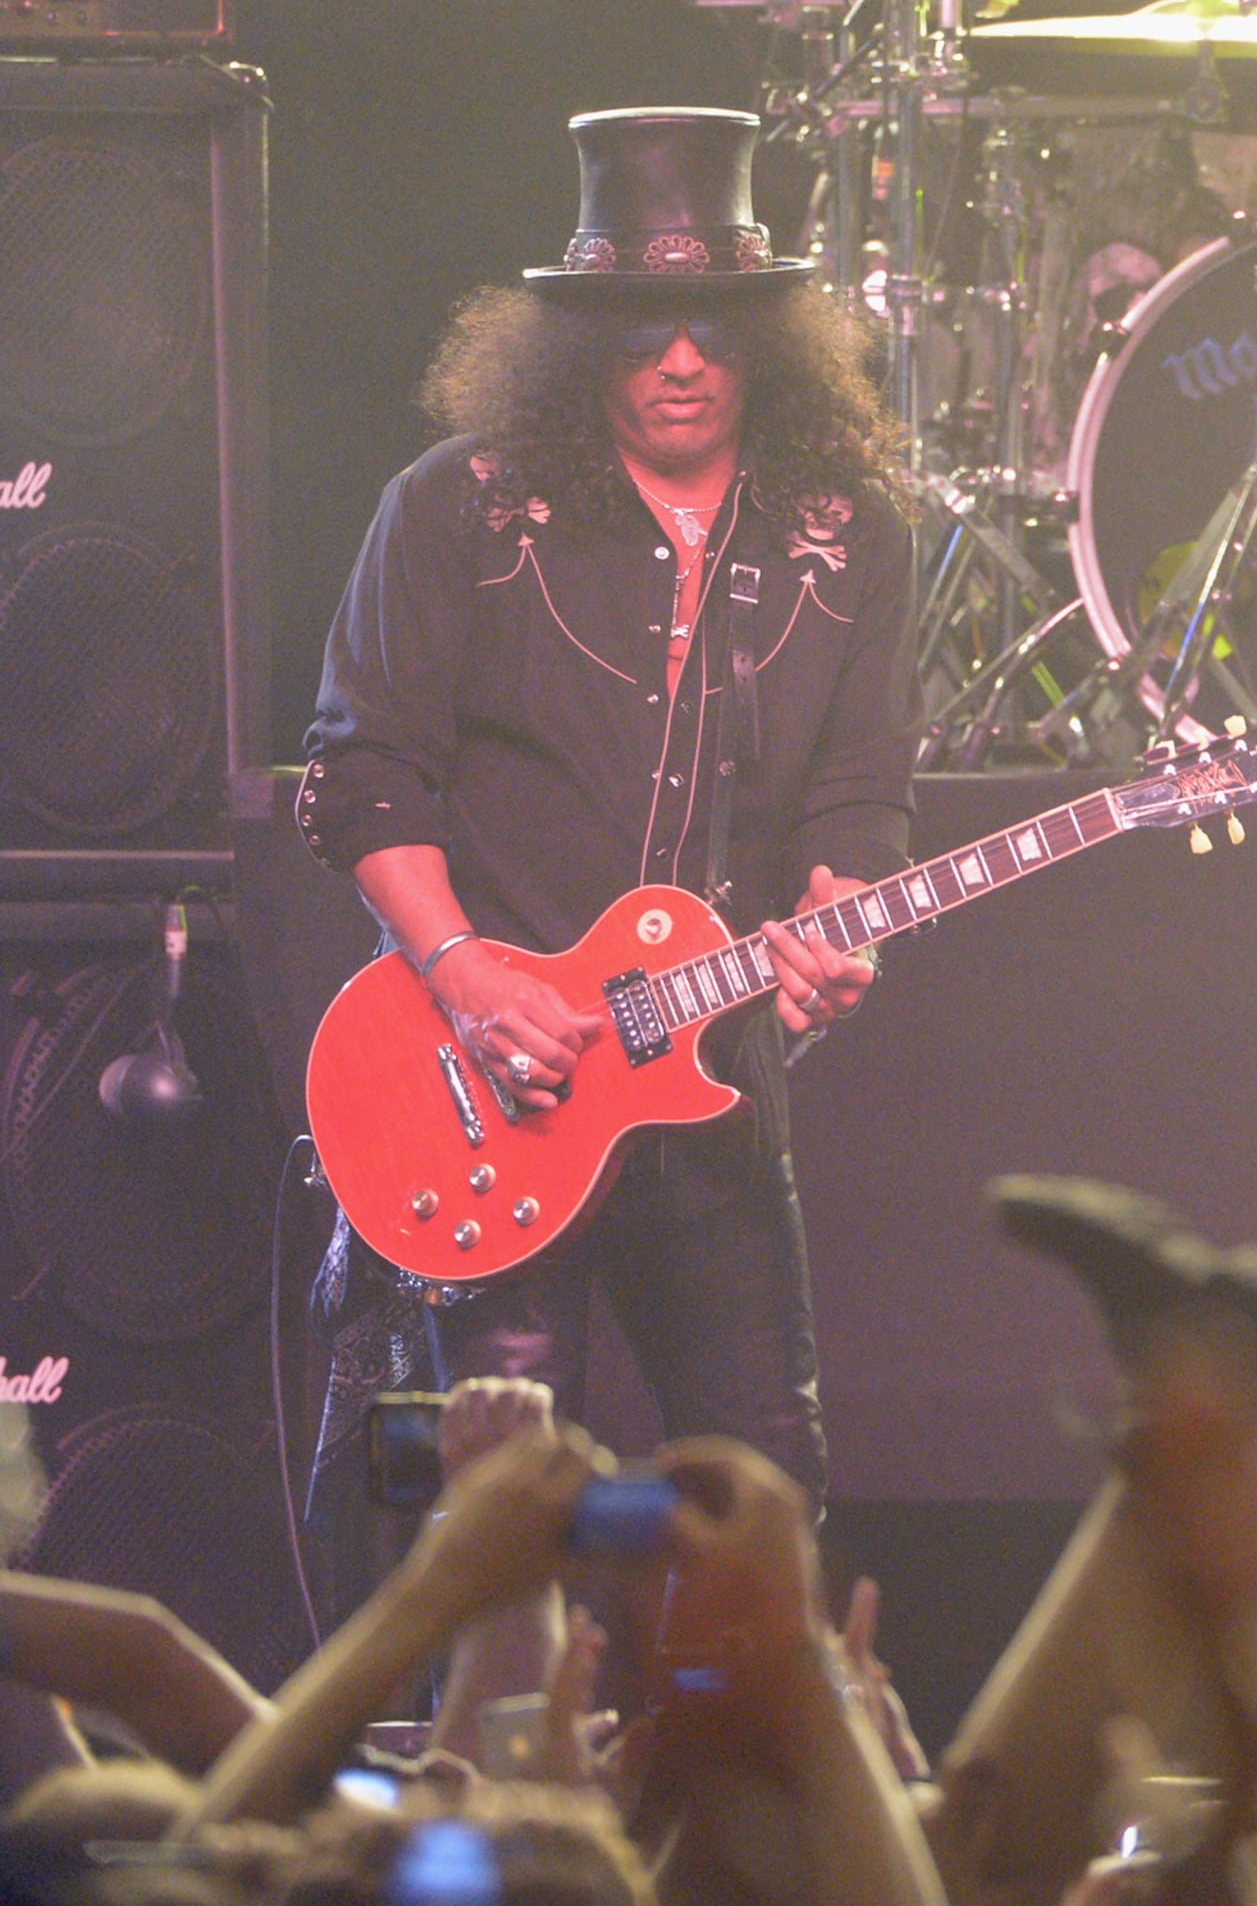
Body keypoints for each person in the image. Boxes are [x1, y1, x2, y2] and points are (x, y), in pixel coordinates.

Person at [296, 106, 915, 1509]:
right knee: (507, 1506)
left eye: (713, 324)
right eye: (643, 327)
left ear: (765, 337)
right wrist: (462, 975)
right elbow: (361, 766)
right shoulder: (460, 507)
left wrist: (837, 909)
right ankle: (505, 1737)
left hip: (706, 1080)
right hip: (492, 1080)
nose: (684, 359)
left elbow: (863, 786)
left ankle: (734, 1732)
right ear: (583, 343)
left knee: (763, 1485)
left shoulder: (849, 533)